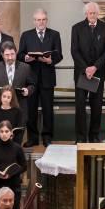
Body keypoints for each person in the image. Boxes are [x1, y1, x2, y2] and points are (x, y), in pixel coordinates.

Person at [18, 8, 62, 146]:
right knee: (31, 110)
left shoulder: (54, 34)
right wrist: (26, 57)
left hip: (48, 77)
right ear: (34, 21)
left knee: (48, 109)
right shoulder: (26, 35)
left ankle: (47, 137)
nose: (41, 22)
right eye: (38, 20)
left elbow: (59, 55)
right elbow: (20, 55)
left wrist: (50, 60)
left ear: (46, 20)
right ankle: (32, 138)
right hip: (30, 78)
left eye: (43, 19)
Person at [71, 1, 105, 142]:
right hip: (82, 74)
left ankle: (94, 136)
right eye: (90, 13)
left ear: (98, 13)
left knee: (97, 107)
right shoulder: (76, 28)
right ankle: (80, 137)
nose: (92, 15)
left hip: (98, 73)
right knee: (80, 107)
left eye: (94, 13)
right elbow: (74, 51)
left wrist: (95, 67)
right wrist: (86, 68)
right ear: (86, 14)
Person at [0, 120, 26, 208]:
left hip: (14, 184)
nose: (4, 134)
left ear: (11, 132)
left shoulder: (17, 148)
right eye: (1, 131)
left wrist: (11, 174)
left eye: (6, 131)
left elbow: (23, 166)